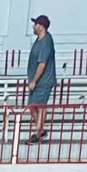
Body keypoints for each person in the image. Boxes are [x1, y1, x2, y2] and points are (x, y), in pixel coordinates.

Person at [26, 14, 55, 144]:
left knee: (40, 106)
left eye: (36, 24)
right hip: (37, 81)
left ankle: (38, 133)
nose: (33, 26)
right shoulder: (39, 40)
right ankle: (40, 129)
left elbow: (42, 64)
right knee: (32, 106)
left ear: (41, 26)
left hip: (43, 81)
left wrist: (34, 81)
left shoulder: (46, 42)